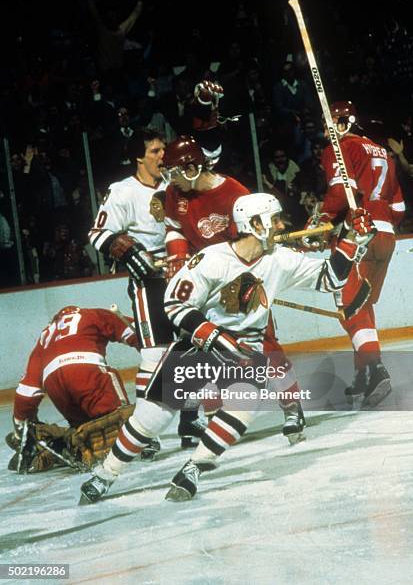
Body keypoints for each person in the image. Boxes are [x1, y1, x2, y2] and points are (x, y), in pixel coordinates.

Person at [79, 192, 375, 503]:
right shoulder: (212, 259)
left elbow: (330, 279)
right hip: (199, 346)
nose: (280, 225)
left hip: (245, 346)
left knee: (244, 405)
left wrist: (353, 239)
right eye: (274, 220)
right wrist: (216, 336)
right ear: (256, 223)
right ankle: (105, 475)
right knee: (152, 418)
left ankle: (194, 468)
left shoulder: (281, 259)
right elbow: (175, 303)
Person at [162, 136, 306, 442]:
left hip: (240, 276)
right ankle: (215, 417)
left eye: (174, 172)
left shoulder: (235, 193)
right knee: (203, 349)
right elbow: (174, 226)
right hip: (204, 277)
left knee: (266, 344)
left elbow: (257, 239)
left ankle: (292, 406)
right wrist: (177, 256)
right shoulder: (175, 193)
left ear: (191, 167)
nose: (170, 180)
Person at [88, 127, 205, 448]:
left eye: (163, 150)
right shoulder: (123, 191)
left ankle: (190, 420)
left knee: (191, 349)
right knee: (154, 354)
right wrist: (131, 253)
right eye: (154, 151)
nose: (162, 156)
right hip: (148, 283)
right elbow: (98, 233)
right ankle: (143, 431)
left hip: (183, 278)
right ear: (138, 157)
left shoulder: (175, 185)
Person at [304, 101, 405, 407]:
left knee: (350, 305)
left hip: (359, 234)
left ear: (343, 122)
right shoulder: (381, 151)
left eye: (329, 122)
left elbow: (338, 193)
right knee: (361, 305)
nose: (325, 128)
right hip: (386, 234)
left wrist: (321, 221)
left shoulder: (339, 147)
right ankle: (362, 373)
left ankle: (375, 369)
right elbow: (399, 208)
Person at [7, 306, 136, 473]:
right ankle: (127, 434)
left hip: (55, 386)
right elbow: (134, 331)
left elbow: (27, 391)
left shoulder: (44, 337)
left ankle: (63, 443)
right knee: (120, 422)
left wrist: (21, 430)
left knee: (84, 429)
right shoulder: (90, 314)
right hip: (86, 372)